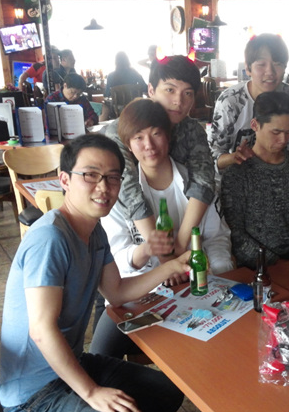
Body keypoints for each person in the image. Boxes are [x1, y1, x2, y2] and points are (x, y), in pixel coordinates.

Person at [0, 134, 187, 412]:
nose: (104, 187)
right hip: (33, 399)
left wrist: (171, 266)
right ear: (65, 179)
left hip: (69, 364)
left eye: (113, 177)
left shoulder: (93, 230)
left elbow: (116, 292)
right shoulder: (51, 239)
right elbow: (41, 330)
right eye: (91, 175)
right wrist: (91, 392)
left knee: (167, 391)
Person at [92, 99, 234, 358]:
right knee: (101, 354)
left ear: (168, 137)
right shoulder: (119, 193)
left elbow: (217, 237)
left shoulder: (196, 185)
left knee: (216, 350)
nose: (149, 145)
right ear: (128, 145)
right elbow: (117, 258)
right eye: (138, 138)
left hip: (197, 288)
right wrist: (147, 251)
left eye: (156, 134)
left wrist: (216, 274)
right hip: (142, 295)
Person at [103, 55, 215, 259]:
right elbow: (129, 191)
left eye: (187, 93)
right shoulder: (121, 131)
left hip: (182, 216)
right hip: (131, 234)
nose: (178, 101)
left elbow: (203, 182)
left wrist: (180, 244)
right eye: (170, 90)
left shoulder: (191, 130)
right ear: (151, 90)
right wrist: (163, 255)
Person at [220, 91, 289, 270]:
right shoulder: (237, 173)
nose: (283, 140)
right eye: (276, 132)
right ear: (255, 125)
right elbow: (236, 235)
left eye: (288, 132)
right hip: (256, 268)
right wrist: (275, 264)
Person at [207, 33, 289, 174]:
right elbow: (212, 157)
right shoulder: (231, 101)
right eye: (261, 64)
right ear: (248, 68)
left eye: (277, 64)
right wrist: (234, 157)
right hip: (235, 179)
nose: (270, 72)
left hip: (276, 177)